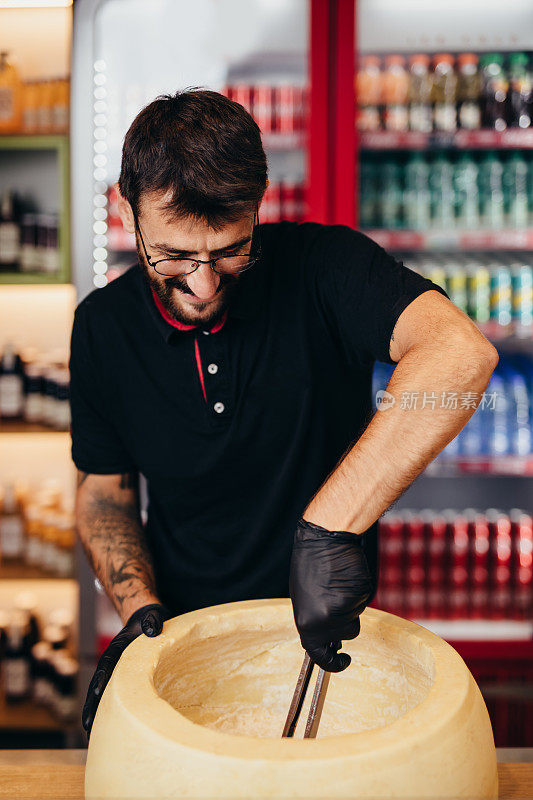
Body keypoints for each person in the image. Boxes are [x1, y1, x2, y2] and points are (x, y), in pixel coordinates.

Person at [71, 89, 498, 740]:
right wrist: (138, 610)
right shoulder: (100, 329)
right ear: (126, 208)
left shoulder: (324, 267)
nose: (204, 284)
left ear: (258, 207)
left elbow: (459, 355)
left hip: (324, 654)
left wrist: (329, 528)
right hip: (179, 647)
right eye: (175, 256)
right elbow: (105, 495)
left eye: (230, 251)